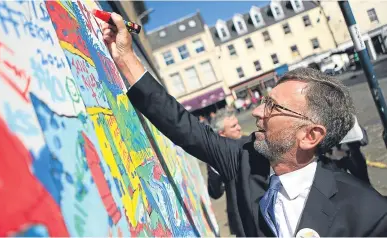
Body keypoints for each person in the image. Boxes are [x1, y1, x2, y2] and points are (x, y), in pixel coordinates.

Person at [101, 13, 387, 237]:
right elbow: (181, 125)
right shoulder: (243, 159)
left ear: (310, 135)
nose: (258, 113)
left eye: (274, 106)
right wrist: (126, 57)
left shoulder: (369, 213)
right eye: (265, 100)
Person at [207, 111, 269, 236]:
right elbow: (215, 193)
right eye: (233, 126)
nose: (239, 127)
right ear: (222, 133)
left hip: (263, 210)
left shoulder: (252, 143)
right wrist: (214, 166)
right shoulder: (216, 157)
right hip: (240, 220)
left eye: (237, 124)